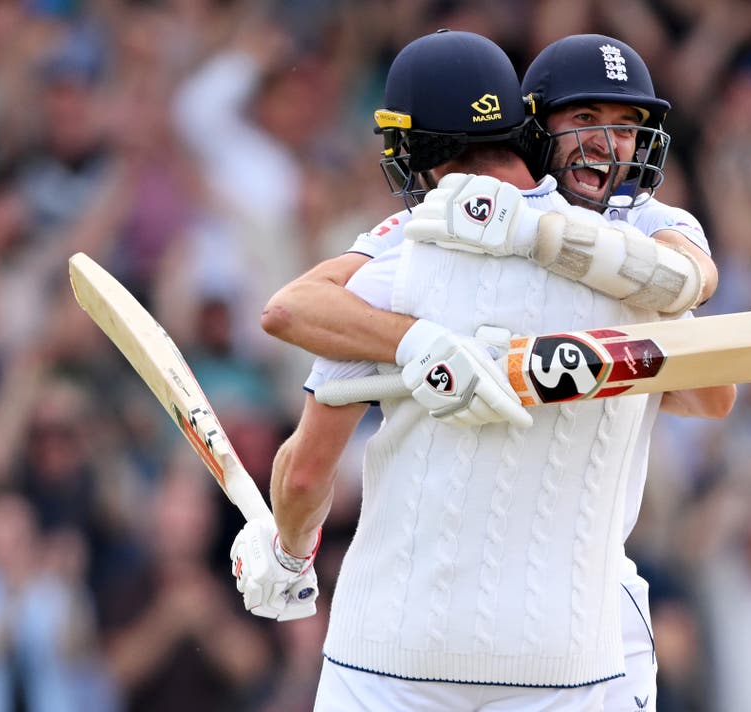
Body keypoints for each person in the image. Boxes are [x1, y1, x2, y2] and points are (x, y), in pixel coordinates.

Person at [229, 29, 723, 709]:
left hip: (388, 657)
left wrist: (286, 551)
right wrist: (437, 344)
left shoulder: (396, 270)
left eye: (624, 127)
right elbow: (714, 389)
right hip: (568, 658)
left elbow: (306, 468)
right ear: (529, 127)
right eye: (586, 118)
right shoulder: (634, 269)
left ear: (418, 147)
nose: (607, 146)